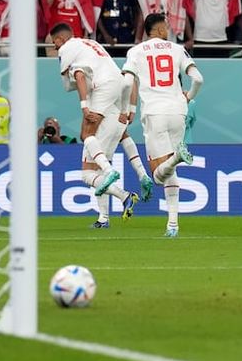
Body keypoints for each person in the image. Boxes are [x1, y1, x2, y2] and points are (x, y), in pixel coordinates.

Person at [51, 23, 151, 229]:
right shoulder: (91, 45)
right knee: (120, 133)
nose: (55, 47)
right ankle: (105, 216)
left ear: (60, 40)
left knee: (86, 147)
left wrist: (84, 107)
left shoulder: (68, 50)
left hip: (103, 88)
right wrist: (129, 109)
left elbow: (75, 78)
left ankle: (119, 186)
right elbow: (129, 80)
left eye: (54, 43)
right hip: (118, 86)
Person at [122, 13, 205, 238]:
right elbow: (198, 78)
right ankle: (173, 225)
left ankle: (178, 156)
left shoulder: (135, 51)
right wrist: (188, 97)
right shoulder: (177, 49)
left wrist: (124, 109)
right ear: (159, 30)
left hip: (154, 113)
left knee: (158, 176)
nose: (167, 30)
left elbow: (128, 82)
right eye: (166, 27)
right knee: (170, 171)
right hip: (178, 111)